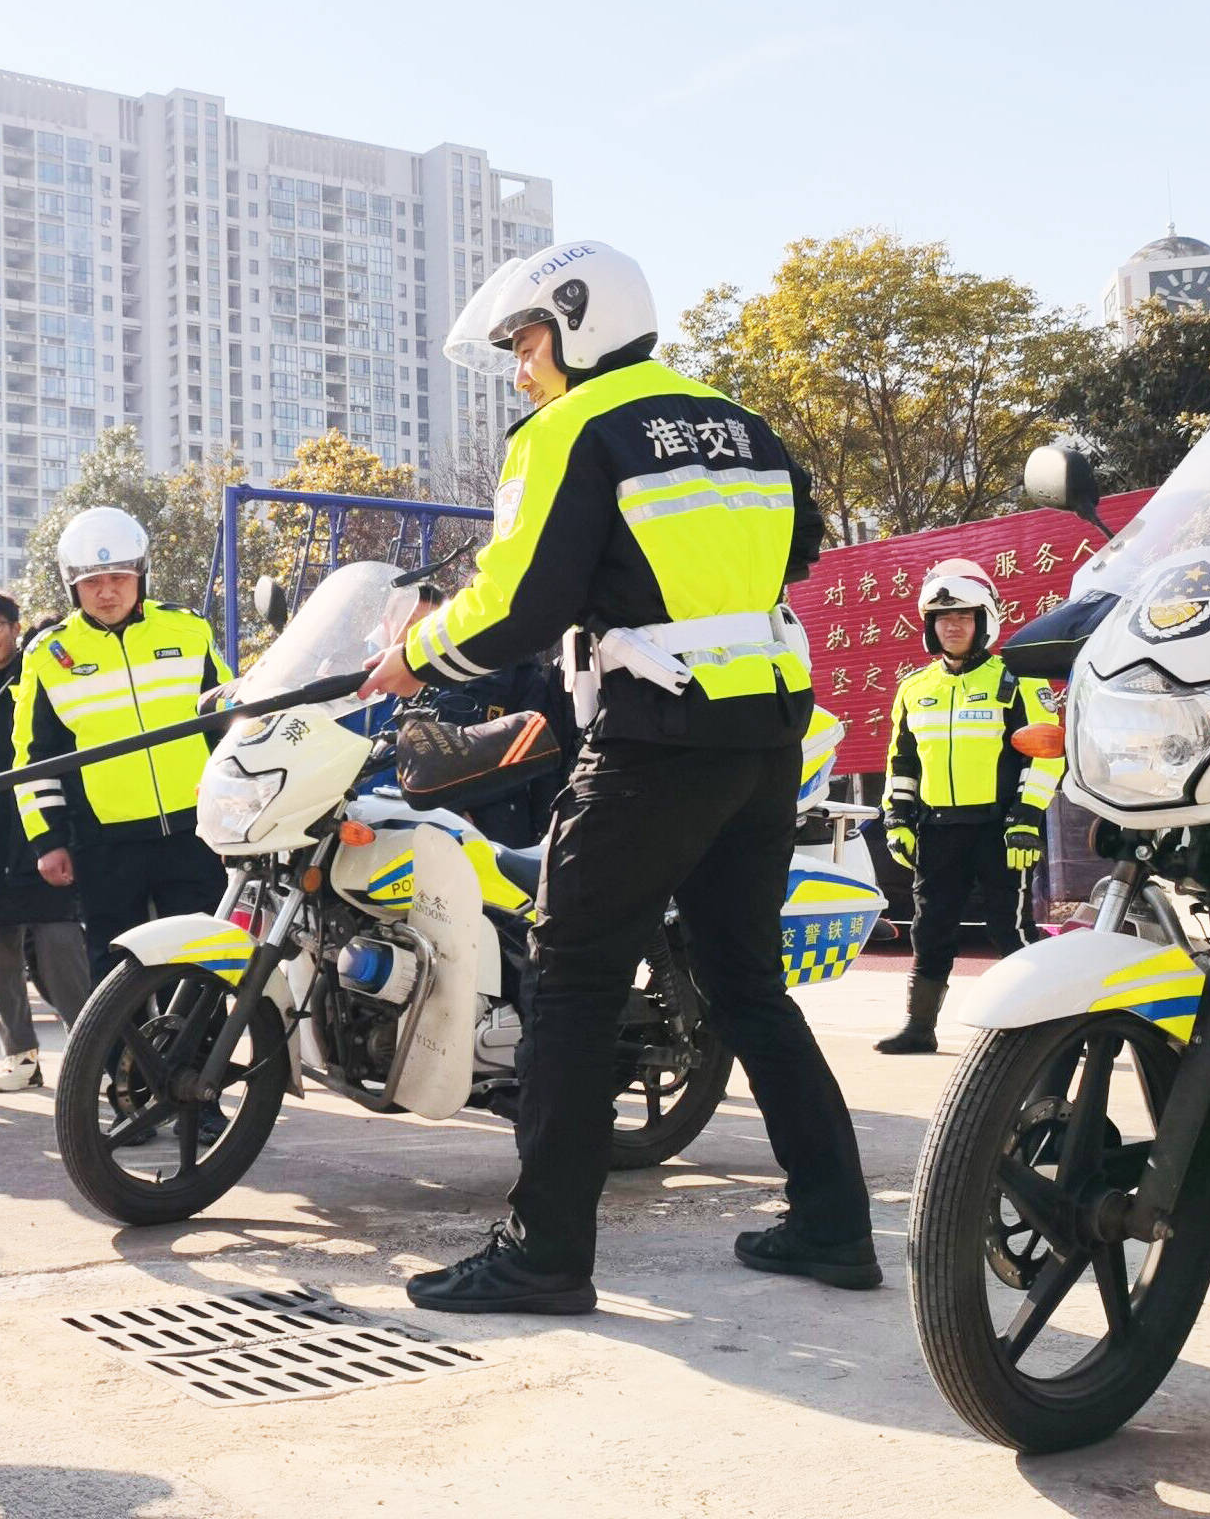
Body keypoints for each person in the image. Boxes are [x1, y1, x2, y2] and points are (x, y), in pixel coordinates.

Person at [362, 239, 875, 1312]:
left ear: (580, 325)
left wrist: (417, 653)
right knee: (743, 982)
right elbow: (799, 548)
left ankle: (545, 1253)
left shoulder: (570, 429)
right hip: (767, 729)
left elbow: (518, 605)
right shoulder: (739, 423)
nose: (520, 370)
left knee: (573, 976)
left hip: (657, 733)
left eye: (528, 343)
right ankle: (833, 1220)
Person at [13, 508, 233, 968]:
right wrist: (48, 840)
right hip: (104, 842)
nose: (107, 592)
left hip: (194, 833)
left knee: (198, 967)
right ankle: (116, 1046)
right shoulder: (48, 655)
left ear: (141, 575)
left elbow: (228, 724)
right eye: (92, 581)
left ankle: (200, 1044)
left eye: (118, 577)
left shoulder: (189, 631)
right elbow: (34, 758)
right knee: (114, 973)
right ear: (71, 585)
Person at [877, 559, 1065, 1054]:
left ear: (984, 622)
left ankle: (1053, 1025)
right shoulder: (915, 689)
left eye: (963, 617)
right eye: (942, 619)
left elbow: (1047, 755)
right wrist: (898, 818)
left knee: (1011, 928)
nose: (952, 626)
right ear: (929, 627)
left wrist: (1026, 819)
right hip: (937, 829)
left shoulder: (1018, 680)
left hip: (1001, 828)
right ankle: (919, 1029)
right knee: (930, 927)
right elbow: (902, 760)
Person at [0, 590, 93, 1092]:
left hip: (41, 827)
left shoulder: (40, 672)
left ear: (16, 627)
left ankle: (91, 1053)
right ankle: (20, 1058)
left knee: (61, 949)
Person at [403, 585, 574, 846]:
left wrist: (456, 806)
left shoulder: (525, 678)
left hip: (495, 824)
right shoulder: (438, 665)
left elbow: (530, 761)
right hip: (426, 809)